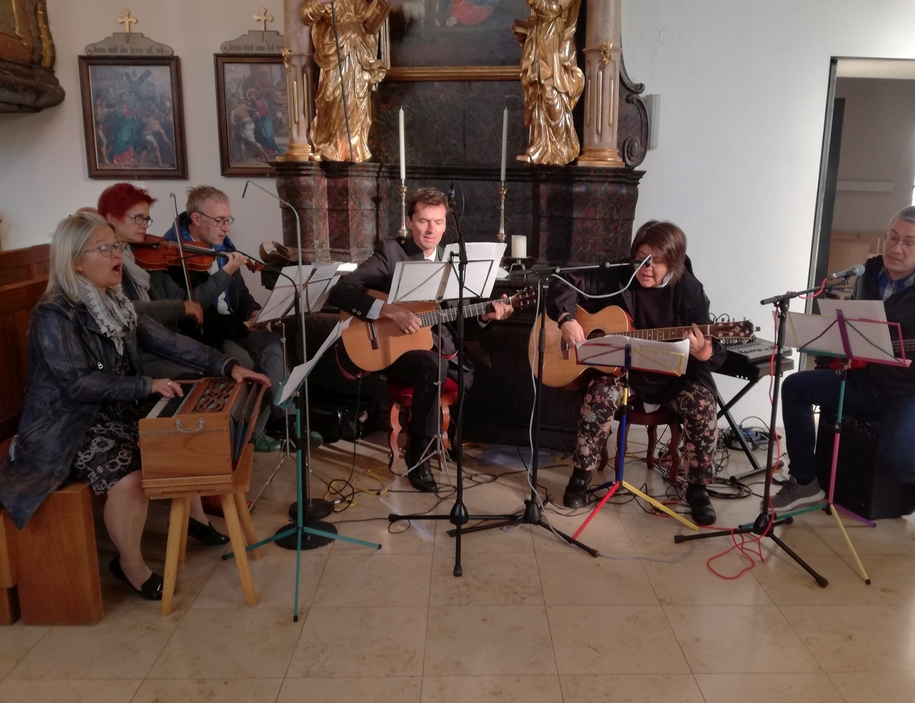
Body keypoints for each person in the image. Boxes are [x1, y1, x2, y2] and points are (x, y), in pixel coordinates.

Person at [0, 212, 271, 601]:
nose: (117, 255)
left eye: (117, 246)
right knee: (130, 478)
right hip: (65, 425)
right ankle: (130, 565)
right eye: (105, 248)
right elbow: (77, 383)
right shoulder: (54, 313)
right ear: (76, 261)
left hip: (112, 408)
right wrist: (146, 384)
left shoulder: (113, 300)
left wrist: (228, 366)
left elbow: (166, 341)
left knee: (182, 429)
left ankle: (194, 518)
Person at [772, 205, 915, 532]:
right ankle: (805, 481)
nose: (896, 248)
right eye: (892, 238)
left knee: (896, 460)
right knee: (795, 386)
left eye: (909, 242)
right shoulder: (868, 272)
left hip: (914, 392)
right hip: (866, 381)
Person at [328, 187, 513, 492]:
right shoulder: (391, 253)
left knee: (496, 391)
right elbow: (340, 291)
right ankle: (419, 453)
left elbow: (461, 320)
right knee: (432, 366)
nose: (431, 229)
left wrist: (487, 316)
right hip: (392, 350)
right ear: (410, 221)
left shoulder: (452, 260)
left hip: (441, 346)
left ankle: (452, 443)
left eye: (438, 222)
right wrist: (387, 310)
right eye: (424, 221)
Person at [549, 220, 725, 526]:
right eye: (641, 258)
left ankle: (698, 490)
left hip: (672, 379)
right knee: (599, 393)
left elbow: (714, 350)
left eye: (656, 261)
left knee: (702, 403)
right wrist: (566, 318)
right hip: (622, 372)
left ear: (673, 263)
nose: (646, 268)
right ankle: (580, 476)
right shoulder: (620, 275)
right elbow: (562, 279)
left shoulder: (689, 290)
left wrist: (705, 352)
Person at [162, 186, 286, 451]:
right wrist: (226, 272)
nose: (226, 228)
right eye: (220, 221)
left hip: (232, 326)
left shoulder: (224, 248)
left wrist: (253, 312)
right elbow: (191, 307)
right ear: (196, 218)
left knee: (273, 343)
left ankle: (284, 420)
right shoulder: (173, 255)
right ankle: (250, 433)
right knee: (247, 363)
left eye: (228, 220)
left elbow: (241, 294)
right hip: (204, 333)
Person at [97, 183, 206, 379]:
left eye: (147, 219)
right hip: (135, 354)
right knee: (197, 376)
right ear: (111, 218)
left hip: (157, 340)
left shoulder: (136, 256)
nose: (145, 225)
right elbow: (127, 308)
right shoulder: (106, 263)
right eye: (138, 218)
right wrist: (179, 308)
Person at [302, 0, 387, 162]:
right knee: (332, 97)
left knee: (357, 99)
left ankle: (353, 146)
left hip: (358, 56)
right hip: (335, 55)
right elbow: (306, 16)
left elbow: (369, 19)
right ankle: (330, 146)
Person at [515, 0, 585, 166]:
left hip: (555, 48)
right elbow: (541, 18)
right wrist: (526, 31)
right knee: (538, 95)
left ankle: (560, 149)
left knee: (552, 94)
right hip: (542, 44)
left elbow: (552, 9)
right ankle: (540, 148)